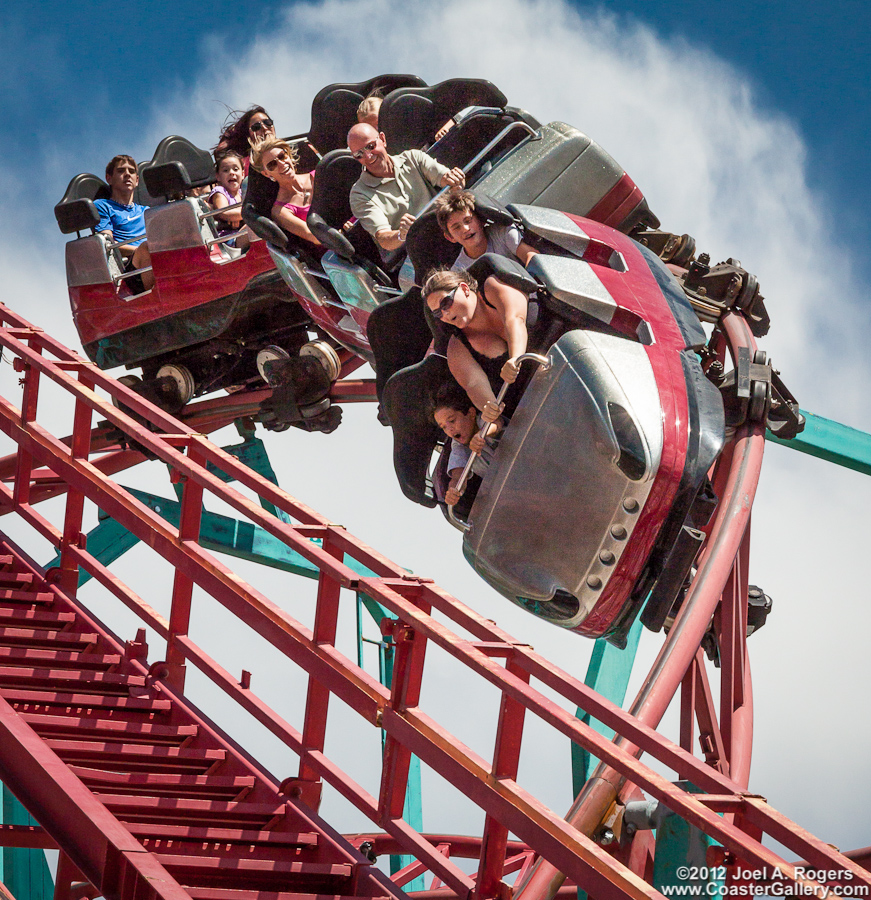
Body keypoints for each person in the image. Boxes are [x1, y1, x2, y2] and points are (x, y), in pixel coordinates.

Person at [422, 267, 530, 425]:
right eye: (438, 313)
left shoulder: (493, 288)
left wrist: (515, 358)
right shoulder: (457, 348)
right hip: (530, 402)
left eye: (446, 303)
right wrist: (489, 407)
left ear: (464, 289)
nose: (445, 314)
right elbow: (474, 384)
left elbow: (515, 319)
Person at [347, 123, 465, 251]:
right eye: (359, 154)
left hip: (450, 228)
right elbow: (383, 238)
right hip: (416, 250)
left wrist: (456, 181)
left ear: (383, 139)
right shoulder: (359, 194)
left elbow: (448, 181)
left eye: (370, 146)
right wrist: (401, 234)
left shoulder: (413, 158)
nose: (368, 156)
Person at [431, 381, 502, 507]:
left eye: (452, 421)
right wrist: (454, 491)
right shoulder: (458, 446)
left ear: (471, 413)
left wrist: (482, 435)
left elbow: (496, 423)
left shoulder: (481, 421)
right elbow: (458, 477)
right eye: (443, 427)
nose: (450, 430)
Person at [434, 190, 537, 270]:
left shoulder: (502, 232)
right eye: (456, 227)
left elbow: (532, 256)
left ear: (481, 220)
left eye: (468, 220)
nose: (465, 229)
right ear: (450, 237)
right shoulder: (459, 271)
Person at [95, 154, 153, 292]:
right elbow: (107, 245)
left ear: (137, 180)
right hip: (130, 268)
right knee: (147, 248)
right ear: (109, 178)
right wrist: (145, 249)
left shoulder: (146, 210)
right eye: (121, 171)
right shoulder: (102, 206)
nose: (127, 174)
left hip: (154, 254)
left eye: (131, 171)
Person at [250, 138, 320, 246]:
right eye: (272, 164)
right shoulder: (280, 211)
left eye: (282, 156)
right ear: (266, 173)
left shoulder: (319, 176)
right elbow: (313, 236)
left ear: (288, 155)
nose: (282, 164)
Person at [214, 106, 276, 172]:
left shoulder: (287, 149)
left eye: (267, 122)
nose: (264, 127)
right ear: (248, 135)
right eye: (256, 127)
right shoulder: (242, 165)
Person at [208, 151, 245, 235]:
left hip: (242, 232)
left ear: (243, 174)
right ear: (218, 176)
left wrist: (238, 217)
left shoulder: (243, 191)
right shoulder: (219, 191)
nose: (231, 172)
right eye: (225, 170)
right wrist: (250, 214)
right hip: (228, 238)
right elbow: (224, 212)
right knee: (254, 229)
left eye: (235, 169)